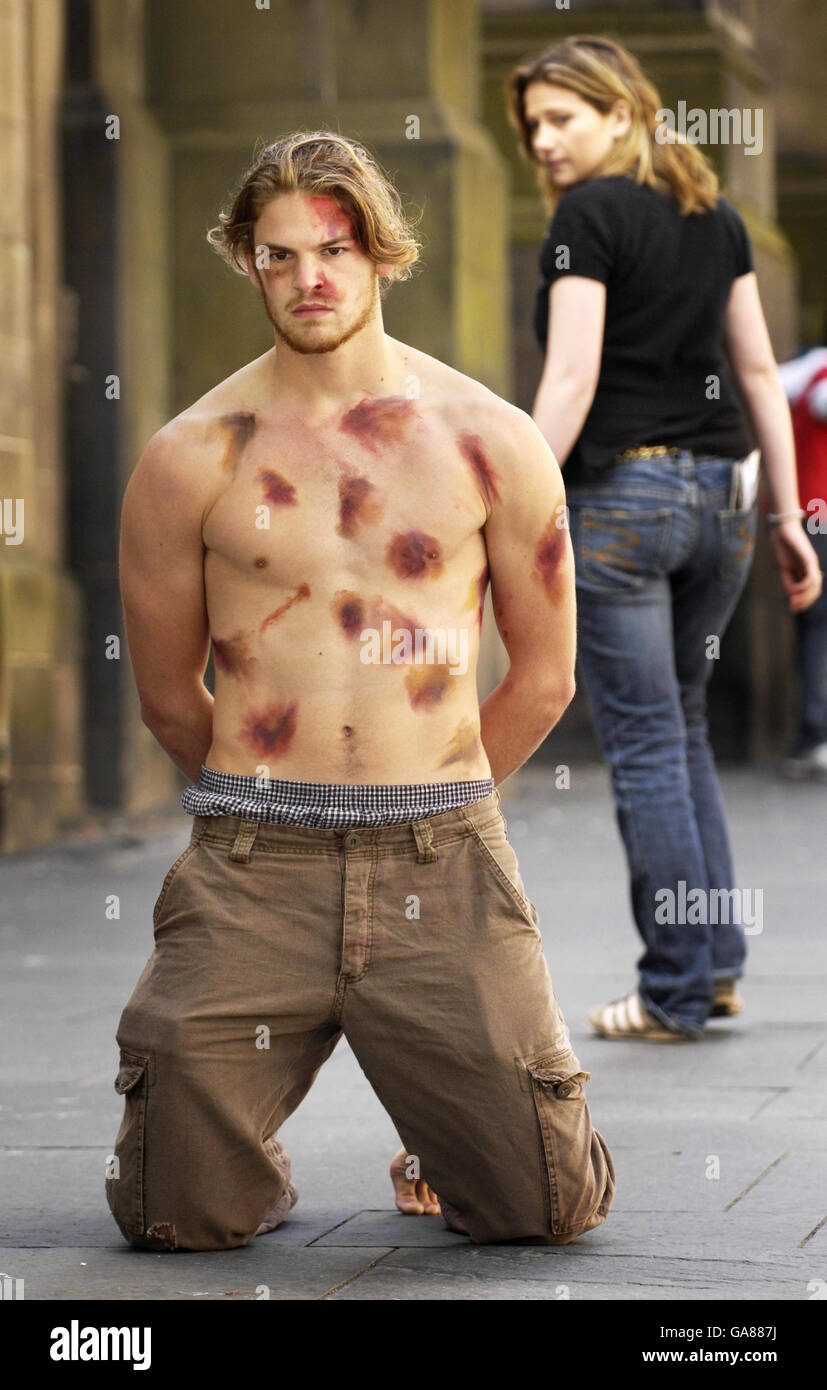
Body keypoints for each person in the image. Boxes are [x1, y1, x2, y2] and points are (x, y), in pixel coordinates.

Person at [106, 130, 615, 1251]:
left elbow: (543, 677)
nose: (309, 279)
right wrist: (266, 805)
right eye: (278, 255)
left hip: (439, 855)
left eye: (333, 249)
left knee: (543, 1207)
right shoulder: (191, 454)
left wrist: (425, 791)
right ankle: (247, 1148)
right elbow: (168, 697)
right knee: (171, 1212)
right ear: (245, 260)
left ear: (381, 253)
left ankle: (445, 1116)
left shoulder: (492, 440)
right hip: (252, 865)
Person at [505, 35, 822, 1041]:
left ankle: (676, 985)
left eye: (560, 118)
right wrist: (785, 517)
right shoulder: (714, 215)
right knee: (678, 729)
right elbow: (760, 375)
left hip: (623, 503)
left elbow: (569, 379)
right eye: (531, 126)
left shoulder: (586, 216)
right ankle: (713, 962)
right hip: (721, 505)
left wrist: (507, 500)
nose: (542, 141)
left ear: (621, 112)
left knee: (644, 740)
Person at [777, 339, 827, 779]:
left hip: (813, 518)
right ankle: (815, 733)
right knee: (816, 626)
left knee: (815, 628)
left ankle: (816, 733)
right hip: (816, 520)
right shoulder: (815, 377)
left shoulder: (804, 376)